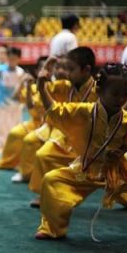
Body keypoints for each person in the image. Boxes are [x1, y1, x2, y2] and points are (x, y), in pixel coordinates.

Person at [34, 63, 127, 241]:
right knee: (52, 180)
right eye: (115, 94)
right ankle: (51, 229)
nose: (120, 99)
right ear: (99, 91)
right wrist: (41, 87)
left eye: (124, 94)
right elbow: (55, 110)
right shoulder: (83, 112)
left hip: (117, 171)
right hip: (85, 170)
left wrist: (120, 152)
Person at [28, 47, 98, 208]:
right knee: (44, 155)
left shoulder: (99, 90)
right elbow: (42, 89)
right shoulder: (66, 86)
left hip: (93, 144)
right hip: (66, 139)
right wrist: (46, 67)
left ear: (86, 70)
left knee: (120, 180)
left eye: (71, 69)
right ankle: (45, 194)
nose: (66, 73)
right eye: (66, 68)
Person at [12, 59, 71, 182]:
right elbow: (32, 105)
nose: (60, 70)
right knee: (29, 139)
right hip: (47, 125)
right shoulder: (48, 85)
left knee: (45, 152)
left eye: (64, 68)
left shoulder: (71, 85)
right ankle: (26, 173)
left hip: (67, 127)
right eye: (57, 67)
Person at [0, 47, 25, 147]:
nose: (12, 61)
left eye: (14, 58)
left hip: (16, 104)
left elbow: (22, 89)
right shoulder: (0, 71)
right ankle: (1, 141)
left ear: (18, 59)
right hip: (2, 103)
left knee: (15, 124)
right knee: (1, 123)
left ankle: (14, 143)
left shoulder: (20, 72)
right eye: (10, 58)